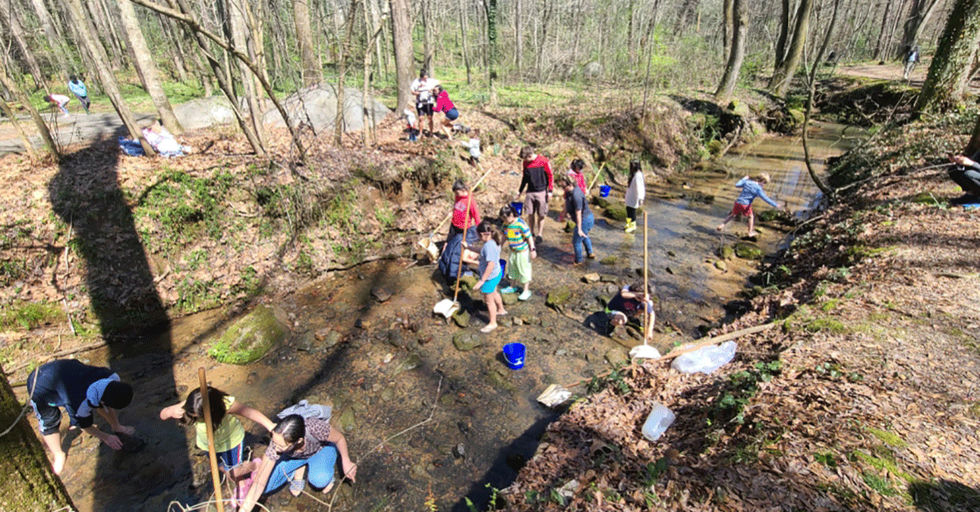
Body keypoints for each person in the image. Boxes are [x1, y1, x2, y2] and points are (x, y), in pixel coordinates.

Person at [160, 386, 276, 502]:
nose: (194, 417)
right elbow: (162, 415)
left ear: (213, 412)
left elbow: (249, 412)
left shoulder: (224, 404)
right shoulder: (192, 404)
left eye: (198, 416)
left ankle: (255, 466)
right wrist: (169, 411)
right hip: (210, 446)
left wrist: (271, 426)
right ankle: (241, 481)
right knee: (222, 468)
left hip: (232, 442)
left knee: (234, 472)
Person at [26, 359, 135, 475]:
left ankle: (116, 426)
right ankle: (58, 454)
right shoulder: (79, 404)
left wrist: (116, 426)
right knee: (49, 421)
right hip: (39, 385)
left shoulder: (112, 377)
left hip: (66, 370)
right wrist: (105, 437)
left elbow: (104, 403)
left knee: (103, 401)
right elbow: (85, 426)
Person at [240, 414, 356, 512]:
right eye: (274, 442)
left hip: (319, 451)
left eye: (281, 445)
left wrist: (346, 461)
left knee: (319, 481)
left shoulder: (315, 428)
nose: (275, 448)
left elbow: (339, 439)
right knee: (266, 488)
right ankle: (297, 469)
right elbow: (259, 483)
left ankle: (323, 467)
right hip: (294, 457)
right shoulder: (275, 445)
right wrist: (244, 510)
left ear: (299, 441)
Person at [465, 221, 506, 333]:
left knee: (489, 301)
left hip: (489, 277)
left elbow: (490, 264)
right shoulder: (494, 240)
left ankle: (493, 323)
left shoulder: (489, 246)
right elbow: (482, 251)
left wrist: (482, 280)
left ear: (483, 234)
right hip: (497, 273)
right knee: (494, 292)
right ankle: (501, 309)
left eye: (478, 235)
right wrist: (469, 247)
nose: (478, 237)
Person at [716, 173, 780, 238]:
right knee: (751, 216)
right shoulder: (758, 189)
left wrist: (744, 179)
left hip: (738, 202)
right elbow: (765, 198)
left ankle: (722, 225)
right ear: (763, 181)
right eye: (764, 183)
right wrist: (775, 204)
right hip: (745, 204)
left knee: (732, 215)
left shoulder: (748, 182)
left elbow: (737, 185)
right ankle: (750, 232)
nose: (764, 184)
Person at [499, 205, 536, 301]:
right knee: (512, 268)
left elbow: (529, 237)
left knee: (524, 270)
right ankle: (512, 286)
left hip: (522, 251)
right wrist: (500, 246)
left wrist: (533, 249)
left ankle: (526, 290)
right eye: (502, 219)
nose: (504, 221)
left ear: (511, 215)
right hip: (512, 250)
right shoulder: (505, 224)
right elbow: (504, 236)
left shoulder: (520, 224)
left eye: (505, 218)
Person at [517, 146, 554, 243]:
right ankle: (531, 232)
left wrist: (550, 191)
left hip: (542, 191)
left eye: (525, 158)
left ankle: (540, 234)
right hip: (530, 191)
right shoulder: (525, 163)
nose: (525, 161)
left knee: (541, 214)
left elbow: (550, 176)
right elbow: (525, 178)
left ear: (530, 155)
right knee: (530, 213)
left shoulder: (543, 161)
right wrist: (520, 191)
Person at [561, 176, 596, 263]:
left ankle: (578, 261)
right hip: (585, 219)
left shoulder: (576, 195)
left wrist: (579, 229)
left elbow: (578, 213)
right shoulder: (569, 192)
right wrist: (563, 215)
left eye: (564, 187)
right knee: (584, 236)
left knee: (576, 241)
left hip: (585, 219)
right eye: (562, 187)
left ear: (570, 184)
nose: (563, 189)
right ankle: (590, 253)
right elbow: (566, 203)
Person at [448, 179, 481, 246]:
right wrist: (452, 211)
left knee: (459, 245)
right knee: (449, 242)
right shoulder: (457, 196)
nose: (456, 195)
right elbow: (455, 205)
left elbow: (476, 215)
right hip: (454, 224)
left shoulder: (470, 201)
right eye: (455, 193)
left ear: (463, 190)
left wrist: (479, 228)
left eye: (457, 193)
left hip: (463, 227)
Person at [409, 69, 440, 137]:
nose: (425, 79)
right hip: (420, 102)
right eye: (424, 78)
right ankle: (420, 133)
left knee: (430, 118)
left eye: (426, 78)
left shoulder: (431, 81)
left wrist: (433, 90)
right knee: (421, 118)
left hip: (429, 102)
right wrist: (416, 93)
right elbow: (412, 91)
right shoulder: (416, 82)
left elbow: (439, 84)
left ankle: (431, 133)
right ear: (421, 77)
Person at [624, 160, 646, 233]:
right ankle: (628, 224)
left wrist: (640, 198)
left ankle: (632, 226)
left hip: (635, 197)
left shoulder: (638, 175)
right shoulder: (634, 174)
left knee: (632, 211)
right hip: (631, 196)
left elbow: (640, 187)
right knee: (628, 209)